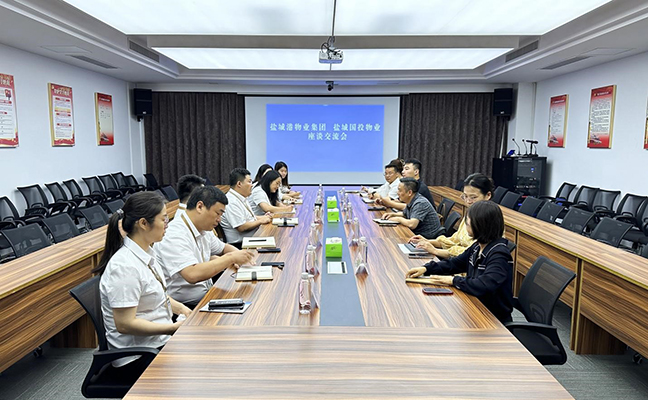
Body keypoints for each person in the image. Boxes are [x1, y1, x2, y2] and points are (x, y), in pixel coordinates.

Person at [94, 191, 191, 380]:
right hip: (137, 357)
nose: (167, 224)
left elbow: (155, 294)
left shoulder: (147, 252)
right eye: (164, 219)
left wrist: (183, 309)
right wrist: (172, 329)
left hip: (157, 342)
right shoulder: (124, 267)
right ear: (144, 223)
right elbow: (125, 324)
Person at [406, 200, 513, 323]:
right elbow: (454, 264)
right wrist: (426, 269)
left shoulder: (499, 254)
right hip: (474, 307)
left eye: (468, 223)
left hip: (493, 318)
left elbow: (485, 285)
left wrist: (453, 280)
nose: (465, 225)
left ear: (481, 225)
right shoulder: (477, 246)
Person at [156, 186, 256, 309]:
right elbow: (192, 274)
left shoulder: (203, 228)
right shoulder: (174, 234)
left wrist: (243, 258)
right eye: (218, 214)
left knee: (250, 297)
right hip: (185, 307)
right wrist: (231, 258)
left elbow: (223, 248)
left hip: (207, 294)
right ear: (200, 207)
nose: (219, 220)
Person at [409, 173, 493, 259]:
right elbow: (455, 239)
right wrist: (428, 242)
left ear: (488, 195)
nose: (468, 201)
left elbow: (473, 252)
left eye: (473, 197)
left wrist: (435, 251)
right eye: (465, 196)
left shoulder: (489, 219)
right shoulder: (470, 213)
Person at [221, 168, 272, 244]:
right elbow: (241, 227)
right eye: (249, 182)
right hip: (241, 244)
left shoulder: (242, 197)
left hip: (252, 238)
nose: (252, 185)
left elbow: (248, 217)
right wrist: (260, 221)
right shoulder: (231, 201)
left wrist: (264, 217)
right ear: (239, 184)